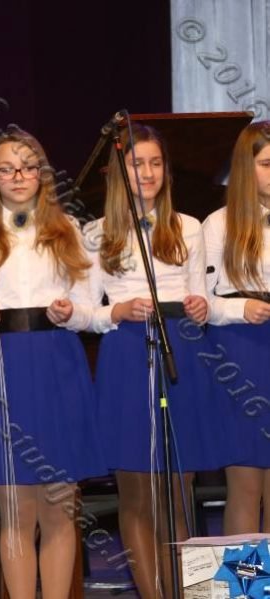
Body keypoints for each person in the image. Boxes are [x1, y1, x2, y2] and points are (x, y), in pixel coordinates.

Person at [0, 129, 104, 599]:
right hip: (2, 365)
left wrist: (71, 312)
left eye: (28, 167)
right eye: (7, 169)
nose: (18, 176)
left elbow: (91, 309)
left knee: (59, 506)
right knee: (16, 508)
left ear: (43, 174)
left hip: (58, 362)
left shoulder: (70, 229)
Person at [84, 123, 232, 599]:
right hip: (126, 352)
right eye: (136, 164)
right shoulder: (96, 233)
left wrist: (200, 307)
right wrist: (116, 310)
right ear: (119, 173)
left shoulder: (188, 226)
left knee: (179, 490)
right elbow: (84, 312)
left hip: (180, 350)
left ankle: (188, 592)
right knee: (136, 489)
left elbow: (201, 294)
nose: (147, 173)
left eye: (155, 163)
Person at [203, 121, 270, 534]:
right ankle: (248, 576)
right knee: (245, 485)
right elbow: (200, 303)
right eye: (267, 164)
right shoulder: (218, 224)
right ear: (246, 168)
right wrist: (240, 308)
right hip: (240, 352)